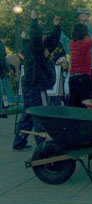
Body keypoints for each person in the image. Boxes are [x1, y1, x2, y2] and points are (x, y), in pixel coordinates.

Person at [12, 10, 60, 151]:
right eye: (43, 34)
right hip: (35, 84)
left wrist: (56, 27)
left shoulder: (37, 47)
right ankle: (42, 144)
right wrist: (34, 20)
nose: (44, 36)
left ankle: (19, 141)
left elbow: (53, 41)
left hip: (31, 84)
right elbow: (36, 37)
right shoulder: (34, 47)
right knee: (39, 113)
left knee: (28, 112)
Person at [68, 18, 92, 107]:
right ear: (85, 34)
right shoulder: (85, 45)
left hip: (72, 78)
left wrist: (82, 23)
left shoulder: (73, 44)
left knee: (75, 105)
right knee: (91, 104)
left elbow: (76, 32)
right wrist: (89, 20)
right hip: (83, 78)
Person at [77, 8, 92, 97]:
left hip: (88, 69)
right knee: (91, 97)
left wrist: (86, 20)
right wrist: (87, 19)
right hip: (87, 69)